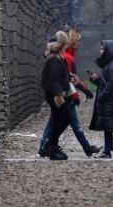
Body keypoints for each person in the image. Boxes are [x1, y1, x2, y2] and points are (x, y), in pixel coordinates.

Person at [38, 29, 101, 157]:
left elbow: (66, 77)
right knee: (66, 121)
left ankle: (48, 146)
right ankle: (51, 147)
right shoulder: (59, 58)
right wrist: (72, 94)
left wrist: (78, 86)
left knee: (57, 121)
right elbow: (56, 80)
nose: (79, 44)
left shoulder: (62, 57)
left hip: (61, 95)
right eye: (77, 41)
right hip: (60, 96)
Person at [40, 31, 71, 160]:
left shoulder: (56, 57)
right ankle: (51, 147)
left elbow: (59, 76)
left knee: (60, 120)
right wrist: (59, 94)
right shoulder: (54, 59)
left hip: (55, 94)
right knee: (63, 119)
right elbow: (53, 79)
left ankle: (51, 146)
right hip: (55, 96)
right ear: (62, 45)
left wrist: (69, 78)